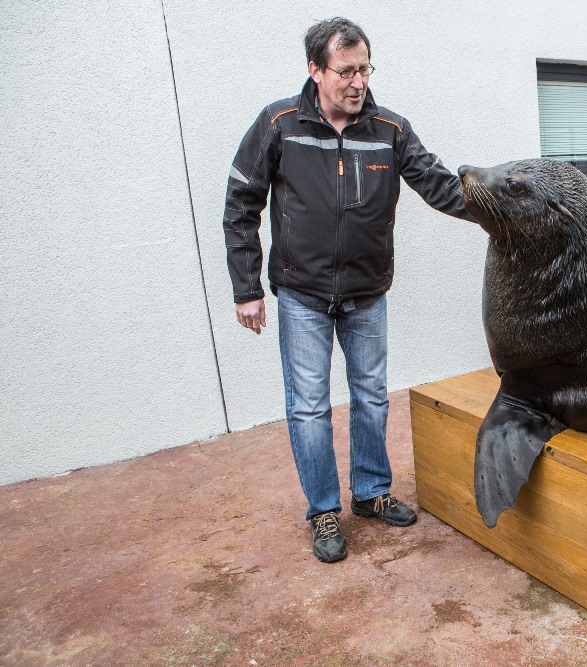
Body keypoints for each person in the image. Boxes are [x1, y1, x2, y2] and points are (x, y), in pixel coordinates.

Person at [223, 17, 472, 563]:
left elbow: (440, 187)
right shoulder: (279, 124)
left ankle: (371, 493)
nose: (358, 82)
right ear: (315, 70)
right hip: (302, 294)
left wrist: (505, 209)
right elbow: (241, 204)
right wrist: (248, 288)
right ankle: (324, 509)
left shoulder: (390, 129)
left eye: (365, 69)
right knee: (310, 408)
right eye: (346, 71)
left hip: (366, 293)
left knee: (371, 397)